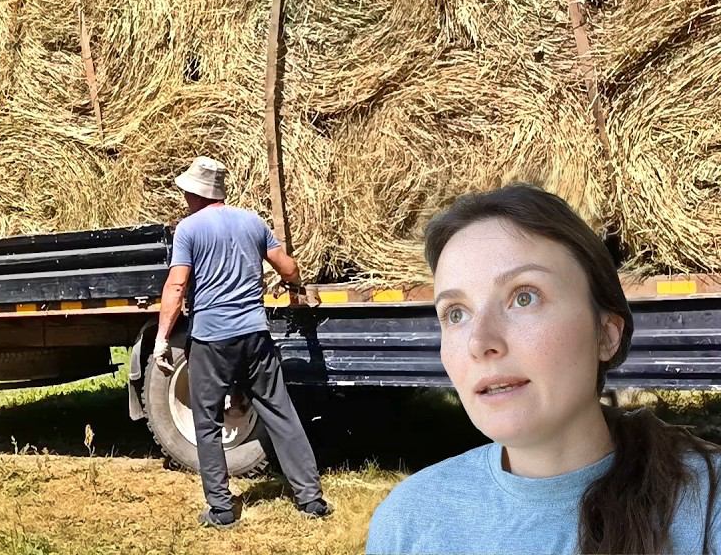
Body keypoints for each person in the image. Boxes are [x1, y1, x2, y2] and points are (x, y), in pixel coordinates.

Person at [367, 184, 721, 554]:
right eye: (456, 313)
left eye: (524, 297)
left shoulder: (707, 508)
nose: (479, 341)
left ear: (605, 335)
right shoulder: (407, 522)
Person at [152, 156, 332, 528]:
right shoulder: (253, 222)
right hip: (254, 334)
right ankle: (310, 499)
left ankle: (221, 510)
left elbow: (176, 286)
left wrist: (161, 339)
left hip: (212, 340)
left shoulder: (188, 230)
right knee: (281, 413)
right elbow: (289, 267)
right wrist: (294, 287)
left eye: (186, 191)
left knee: (206, 423)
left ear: (194, 193)